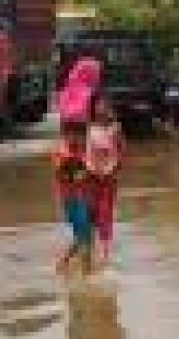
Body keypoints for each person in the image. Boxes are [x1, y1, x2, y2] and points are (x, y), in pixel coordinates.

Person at [86, 93, 125, 262]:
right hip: (91, 175)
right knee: (91, 213)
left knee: (105, 213)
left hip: (109, 176)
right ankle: (89, 250)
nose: (102, 108)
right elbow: (84, 152)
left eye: (105, 105)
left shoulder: (115, 127)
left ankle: (105, 253)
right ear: (93, 108)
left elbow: (122, 149)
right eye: (99, 105)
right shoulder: (89, 128)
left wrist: (115, 167)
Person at [54, 120, 94, 276]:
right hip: (70, 200)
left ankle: (68, 264)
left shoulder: (82, 151)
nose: (76, 138)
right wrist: (80, 170)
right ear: (65, 136)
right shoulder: (61, 153)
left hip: (83, 197)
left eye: (79, 135)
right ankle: (84, 273)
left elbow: (87, 172)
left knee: (85, 236)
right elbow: (63, 173)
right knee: (84, 236)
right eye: (72, 135)